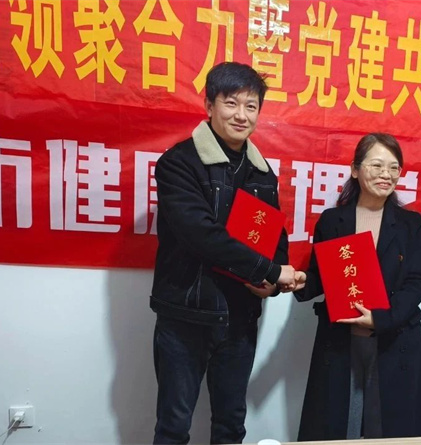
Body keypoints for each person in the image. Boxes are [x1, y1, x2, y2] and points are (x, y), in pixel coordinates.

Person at [149, 62, 300, 444]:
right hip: (186, 317)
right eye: (231, 103)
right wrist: (267, 270)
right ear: (209, 105)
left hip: (239, 320)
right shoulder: (178, 163)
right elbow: (202, 236)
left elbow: (274, 234)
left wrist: (272, 280)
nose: (241, 115)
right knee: (173, 427)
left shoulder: (262, 173)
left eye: (251, 106)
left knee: (231, 426)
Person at [293, 133, 421, 440]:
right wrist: (301, 281)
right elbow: (322, 275)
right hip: (340, 340)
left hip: (394, 338)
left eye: (394, 167)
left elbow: (417, 281)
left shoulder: (410, 224)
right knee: (338, 425)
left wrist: (381, 318)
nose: (386, 174)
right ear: (355, 169)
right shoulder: (332, 221)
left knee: (387, 427)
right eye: (377, 165)